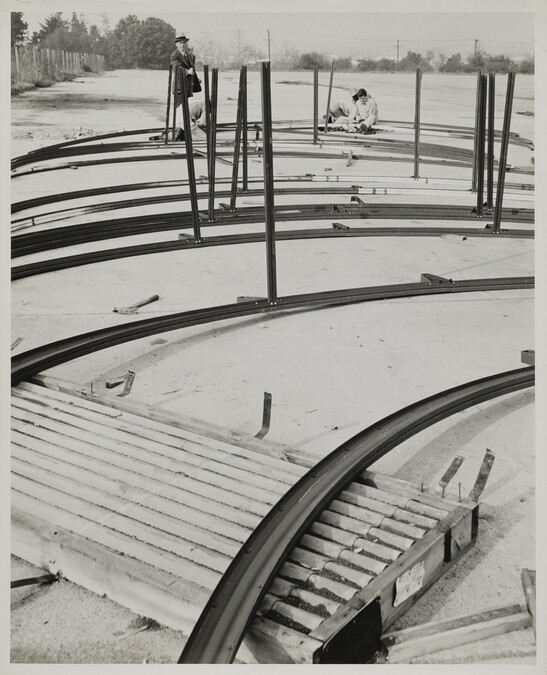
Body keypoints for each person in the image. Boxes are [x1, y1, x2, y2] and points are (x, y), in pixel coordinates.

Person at [170, 33, 202, 140]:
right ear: (176, 44)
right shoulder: (175, 55)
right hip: (179, 87)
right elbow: (176, 68)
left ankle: (184, 133)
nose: (182, 45)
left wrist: (196, 80)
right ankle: (178, 133)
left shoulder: (188, 55)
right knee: (179, 110)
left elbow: (192, 69)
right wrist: (187, 71)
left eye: (184, 42)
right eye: (180, 43)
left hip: (188, 87)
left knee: (187, 110)